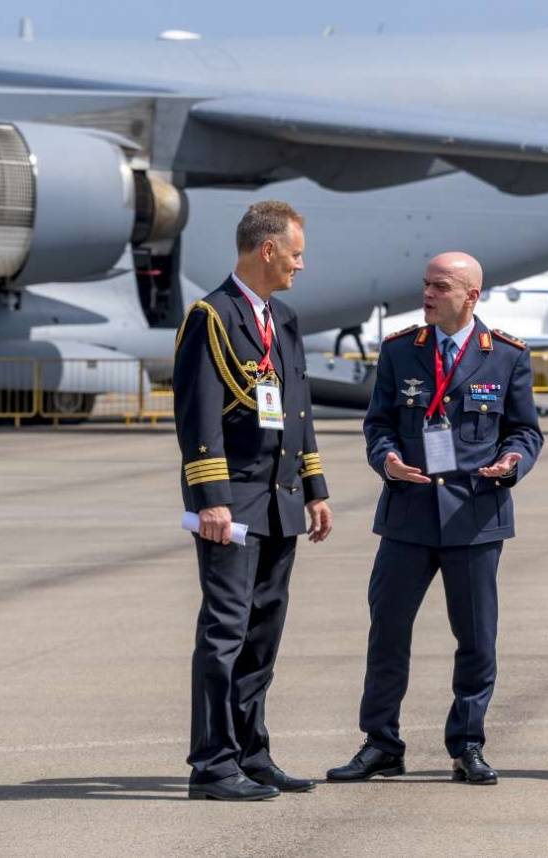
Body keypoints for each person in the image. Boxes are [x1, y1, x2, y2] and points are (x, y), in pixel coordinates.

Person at [327, 252, 543, 786]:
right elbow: (378, 423)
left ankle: (467, 744)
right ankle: (381, 743)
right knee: (388, 633)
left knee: (476, 638)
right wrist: (386, 460)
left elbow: (525, 431)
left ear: (471, 296)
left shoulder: (507, 356)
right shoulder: (401, 351)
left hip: (474, 516)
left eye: (440, 286)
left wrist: (514, 461)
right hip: (408, 514)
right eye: (425, 284)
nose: (427, 294)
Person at [173, 200, 334, 801]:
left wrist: (314, 488)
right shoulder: (211, 318)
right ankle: (212, 766)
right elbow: (197, 417)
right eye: (295, 253)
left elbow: (298, 410)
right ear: (267, 250)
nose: (301, 264)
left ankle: (251, 752)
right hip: (232, 505)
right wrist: (210, 498)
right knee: (225, 632)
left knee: (263, 635)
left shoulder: (284, 319)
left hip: (280, 501)